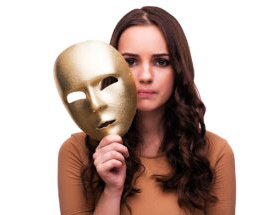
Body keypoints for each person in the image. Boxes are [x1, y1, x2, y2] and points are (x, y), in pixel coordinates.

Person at [58, 6, 236, 215]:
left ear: (179, 69)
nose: (145, 76)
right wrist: (112, 191)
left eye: (161, 62)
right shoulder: (77, 152)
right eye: (131, 61)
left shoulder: (215, 153)